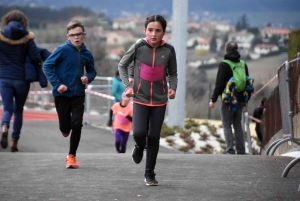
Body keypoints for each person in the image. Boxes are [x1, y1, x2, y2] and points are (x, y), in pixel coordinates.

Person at [118, 14, 178, 186]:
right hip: (140, 97)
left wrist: (173, 87)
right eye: (150, 30)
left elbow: (173, 73)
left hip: (160, 100)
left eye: (158, 31)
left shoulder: (169, 50)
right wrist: (127, 87)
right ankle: (138, 146)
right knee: (138, 133)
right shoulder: (138, 47)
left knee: (153, 136)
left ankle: (149, 173)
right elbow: (122, 65)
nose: (153, 34)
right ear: (145, 31)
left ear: (163, 33)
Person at [43, 20, 97, 169]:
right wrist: (57, 84)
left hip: (79, 93)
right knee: (65, 128)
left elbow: (92, 71)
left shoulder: (87, 53)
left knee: (77, 125)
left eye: (79, 34)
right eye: (72, 35)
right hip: (62, 94)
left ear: (84, 35)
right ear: (68, 37)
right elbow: (47, 66)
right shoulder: (62, 50)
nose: (76, 37)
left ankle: (71, 156)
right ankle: (64, 129)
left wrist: (88, 78)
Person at [0, 10, 42, 152]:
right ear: (23, 22)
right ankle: (14, 142)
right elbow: (36, 57)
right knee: (18, 110)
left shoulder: (1, 37)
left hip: (4, 78)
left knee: (7, 108)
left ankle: (5, 126)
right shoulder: (27, 38)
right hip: (22, 79)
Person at [209, 41, 250, 155]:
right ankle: (241, 150)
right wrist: (245, 100)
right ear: (237, 49)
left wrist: (213, 99)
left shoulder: (224, 64)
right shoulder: (242, 63)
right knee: (238, 125)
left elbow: (219, 84)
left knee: (227, 124)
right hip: (241, 99)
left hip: (229, 100)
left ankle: (230, 150)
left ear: (226, 50)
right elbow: (247, 82)